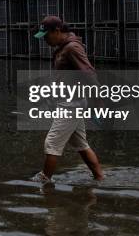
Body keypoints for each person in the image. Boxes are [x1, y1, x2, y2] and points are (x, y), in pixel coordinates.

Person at [31, 16, 104, 184]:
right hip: (69, 102)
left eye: (46, 36)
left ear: (57, 31)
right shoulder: (63, 47)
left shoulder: (72, 48)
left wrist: (98, 103)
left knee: (52, 142)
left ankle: (44, 180)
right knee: (81, 145)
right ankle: (100, 178)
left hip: (71, 104)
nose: (45, 41)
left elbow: (89, 74)